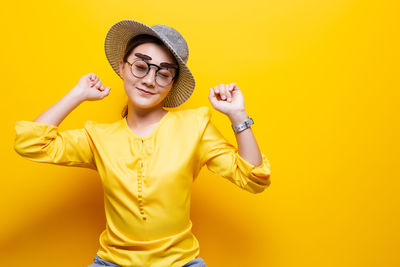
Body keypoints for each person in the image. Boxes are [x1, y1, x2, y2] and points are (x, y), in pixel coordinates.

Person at [13, 20, 271, 267]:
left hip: (180, 264)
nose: (149, 79)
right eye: (140, 66)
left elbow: (253, 178)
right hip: (113, 263)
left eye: (164, 73)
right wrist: (77, 94)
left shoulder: (196, 126)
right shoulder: (98, 137)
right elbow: (31, 142)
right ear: (123, 67)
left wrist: (238, 115)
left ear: (171, 84)